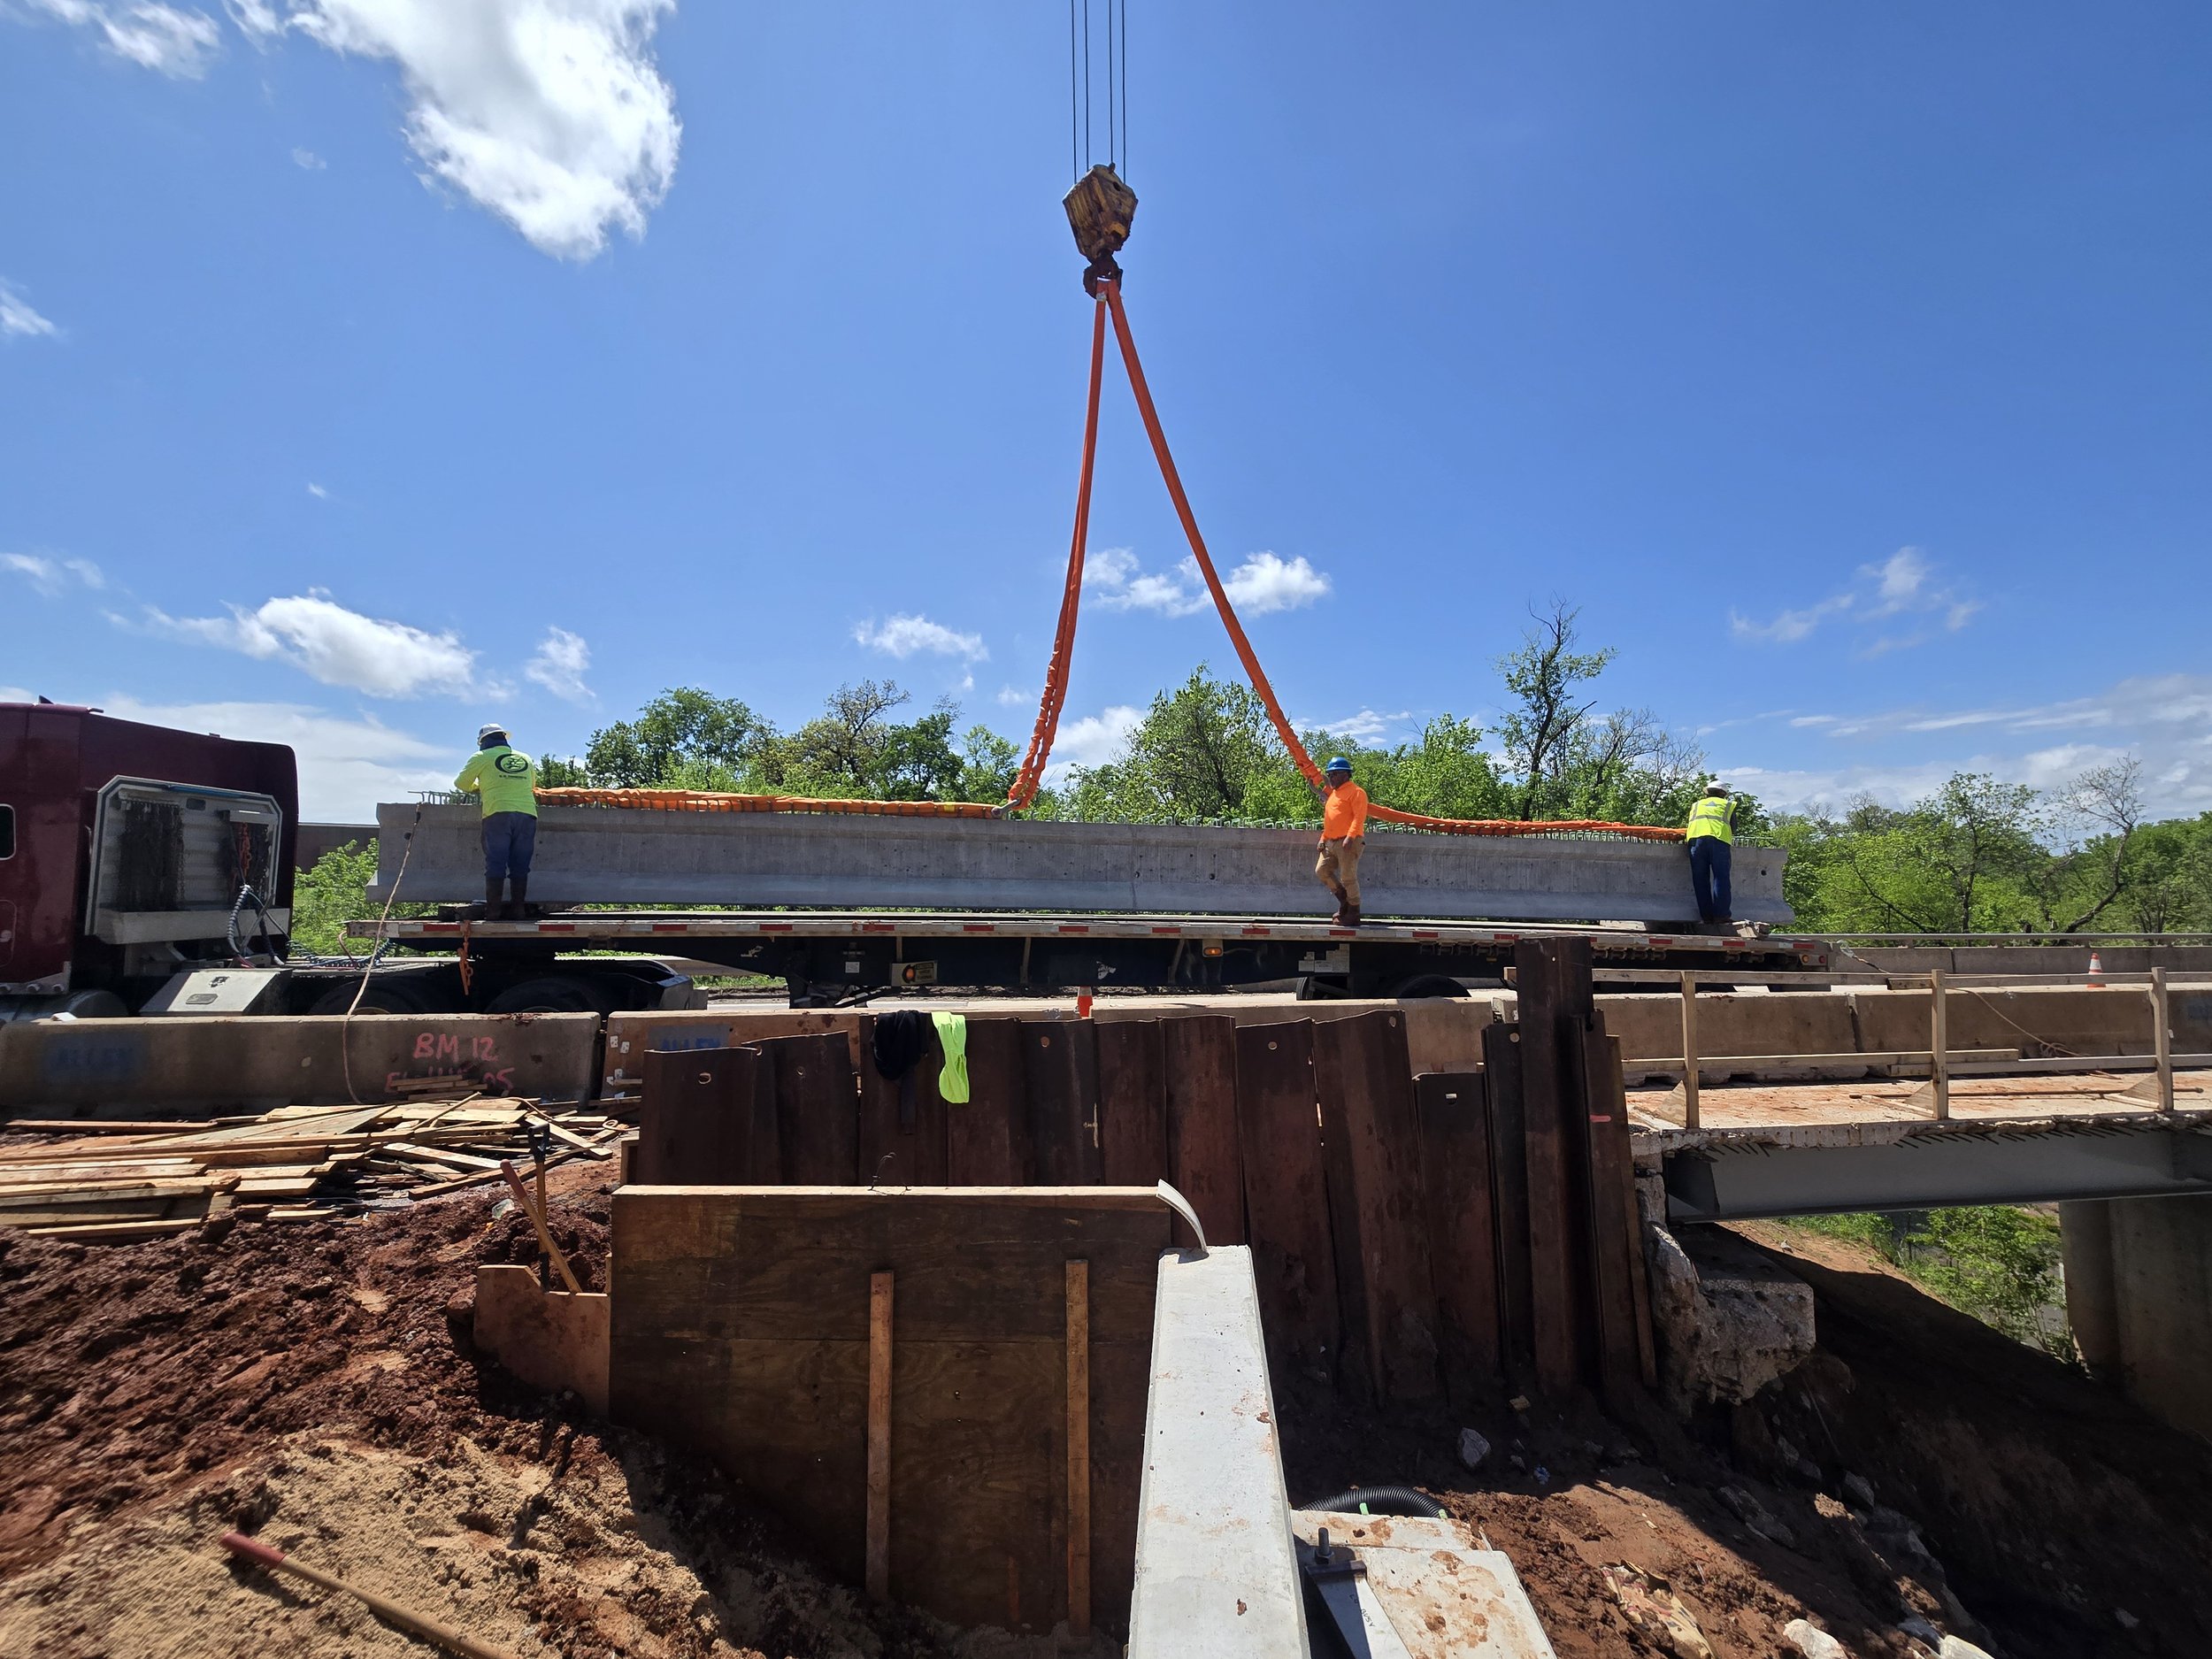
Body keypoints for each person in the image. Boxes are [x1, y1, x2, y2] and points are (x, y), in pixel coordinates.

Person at [455, 723, 538, 920]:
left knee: (496, 862)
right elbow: (533, 784)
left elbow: (461, 783)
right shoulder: (525, 758)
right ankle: (519, 910)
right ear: (504, 738)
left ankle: (493, 912)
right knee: (520, 864)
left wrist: (479, 787)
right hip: (527, 815)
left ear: (483, 742)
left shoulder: (481, 757)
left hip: (498, 813)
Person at [1315, 757, 1369, 926]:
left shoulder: (1356, 792)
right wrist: (1323, 839)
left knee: (1348, 877)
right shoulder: (1334, 795)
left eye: (1334, 774)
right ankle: (1345, 901)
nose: (1331, 778)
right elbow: (1331, 820)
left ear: (1345, 775)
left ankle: (1353, 912)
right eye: (1329, 774)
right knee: (1322, 871)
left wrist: (1350, 837)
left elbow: (1359, 817)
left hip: (1348, 841)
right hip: (1331, 841)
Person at [1684, 782, 1739, 930]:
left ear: (1707, 793)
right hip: (1718, 840)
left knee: (1700, 880)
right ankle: (1721, 916)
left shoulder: (1696, 805)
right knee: (1721, 878)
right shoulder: (1727, 805)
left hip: (1696, 841)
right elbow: (1733, 827)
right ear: (1723, 794)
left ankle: (1706, 917)